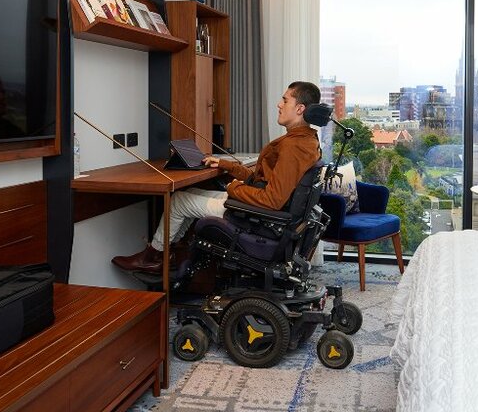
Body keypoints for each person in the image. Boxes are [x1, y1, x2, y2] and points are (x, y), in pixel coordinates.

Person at [111, 81, 322, 274]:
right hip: (259, 209)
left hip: (257, 217)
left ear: (300, 109)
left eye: (285, 100)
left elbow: (273, 199)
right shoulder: (305, 140)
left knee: (178, 201)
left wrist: (233, 188)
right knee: (188, 194)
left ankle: (154, 256)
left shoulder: (294, 147)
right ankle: (166, 254)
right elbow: (262, 178)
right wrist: (225, 164)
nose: (279, 104)